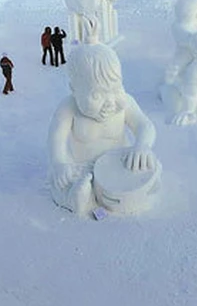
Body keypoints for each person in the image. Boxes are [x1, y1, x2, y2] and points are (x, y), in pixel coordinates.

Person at [48, 42, 158, 216]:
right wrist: (60, 163)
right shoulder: (68, 107)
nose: (110, 102)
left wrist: (142, 145)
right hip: (82, 168)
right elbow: (56, 138)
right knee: (61, 180)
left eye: (116, 90)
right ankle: (75, 198)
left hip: (120, 164)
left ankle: (96, 196)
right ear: (74, 90)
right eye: (96, 95)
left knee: (140, 171)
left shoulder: (126, 103)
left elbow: (145, 125)